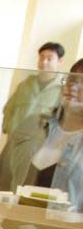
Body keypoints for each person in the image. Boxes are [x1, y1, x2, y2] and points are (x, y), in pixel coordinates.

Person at [0, 42, 65, 189]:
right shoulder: (26, 84)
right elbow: (9, 109)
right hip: (13, 144)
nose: (44, 62)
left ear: (60, 62)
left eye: (49, 58)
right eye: (41, 57)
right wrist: (9, 129)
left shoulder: (62, 90)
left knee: (22, 188)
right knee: (1, 184)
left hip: (36, 150)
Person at [22, 58, 83, 212]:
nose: (74, 86)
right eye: (72, 78)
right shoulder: (34, 124)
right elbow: (2, 176)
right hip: (12, 227)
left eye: (82, 82)